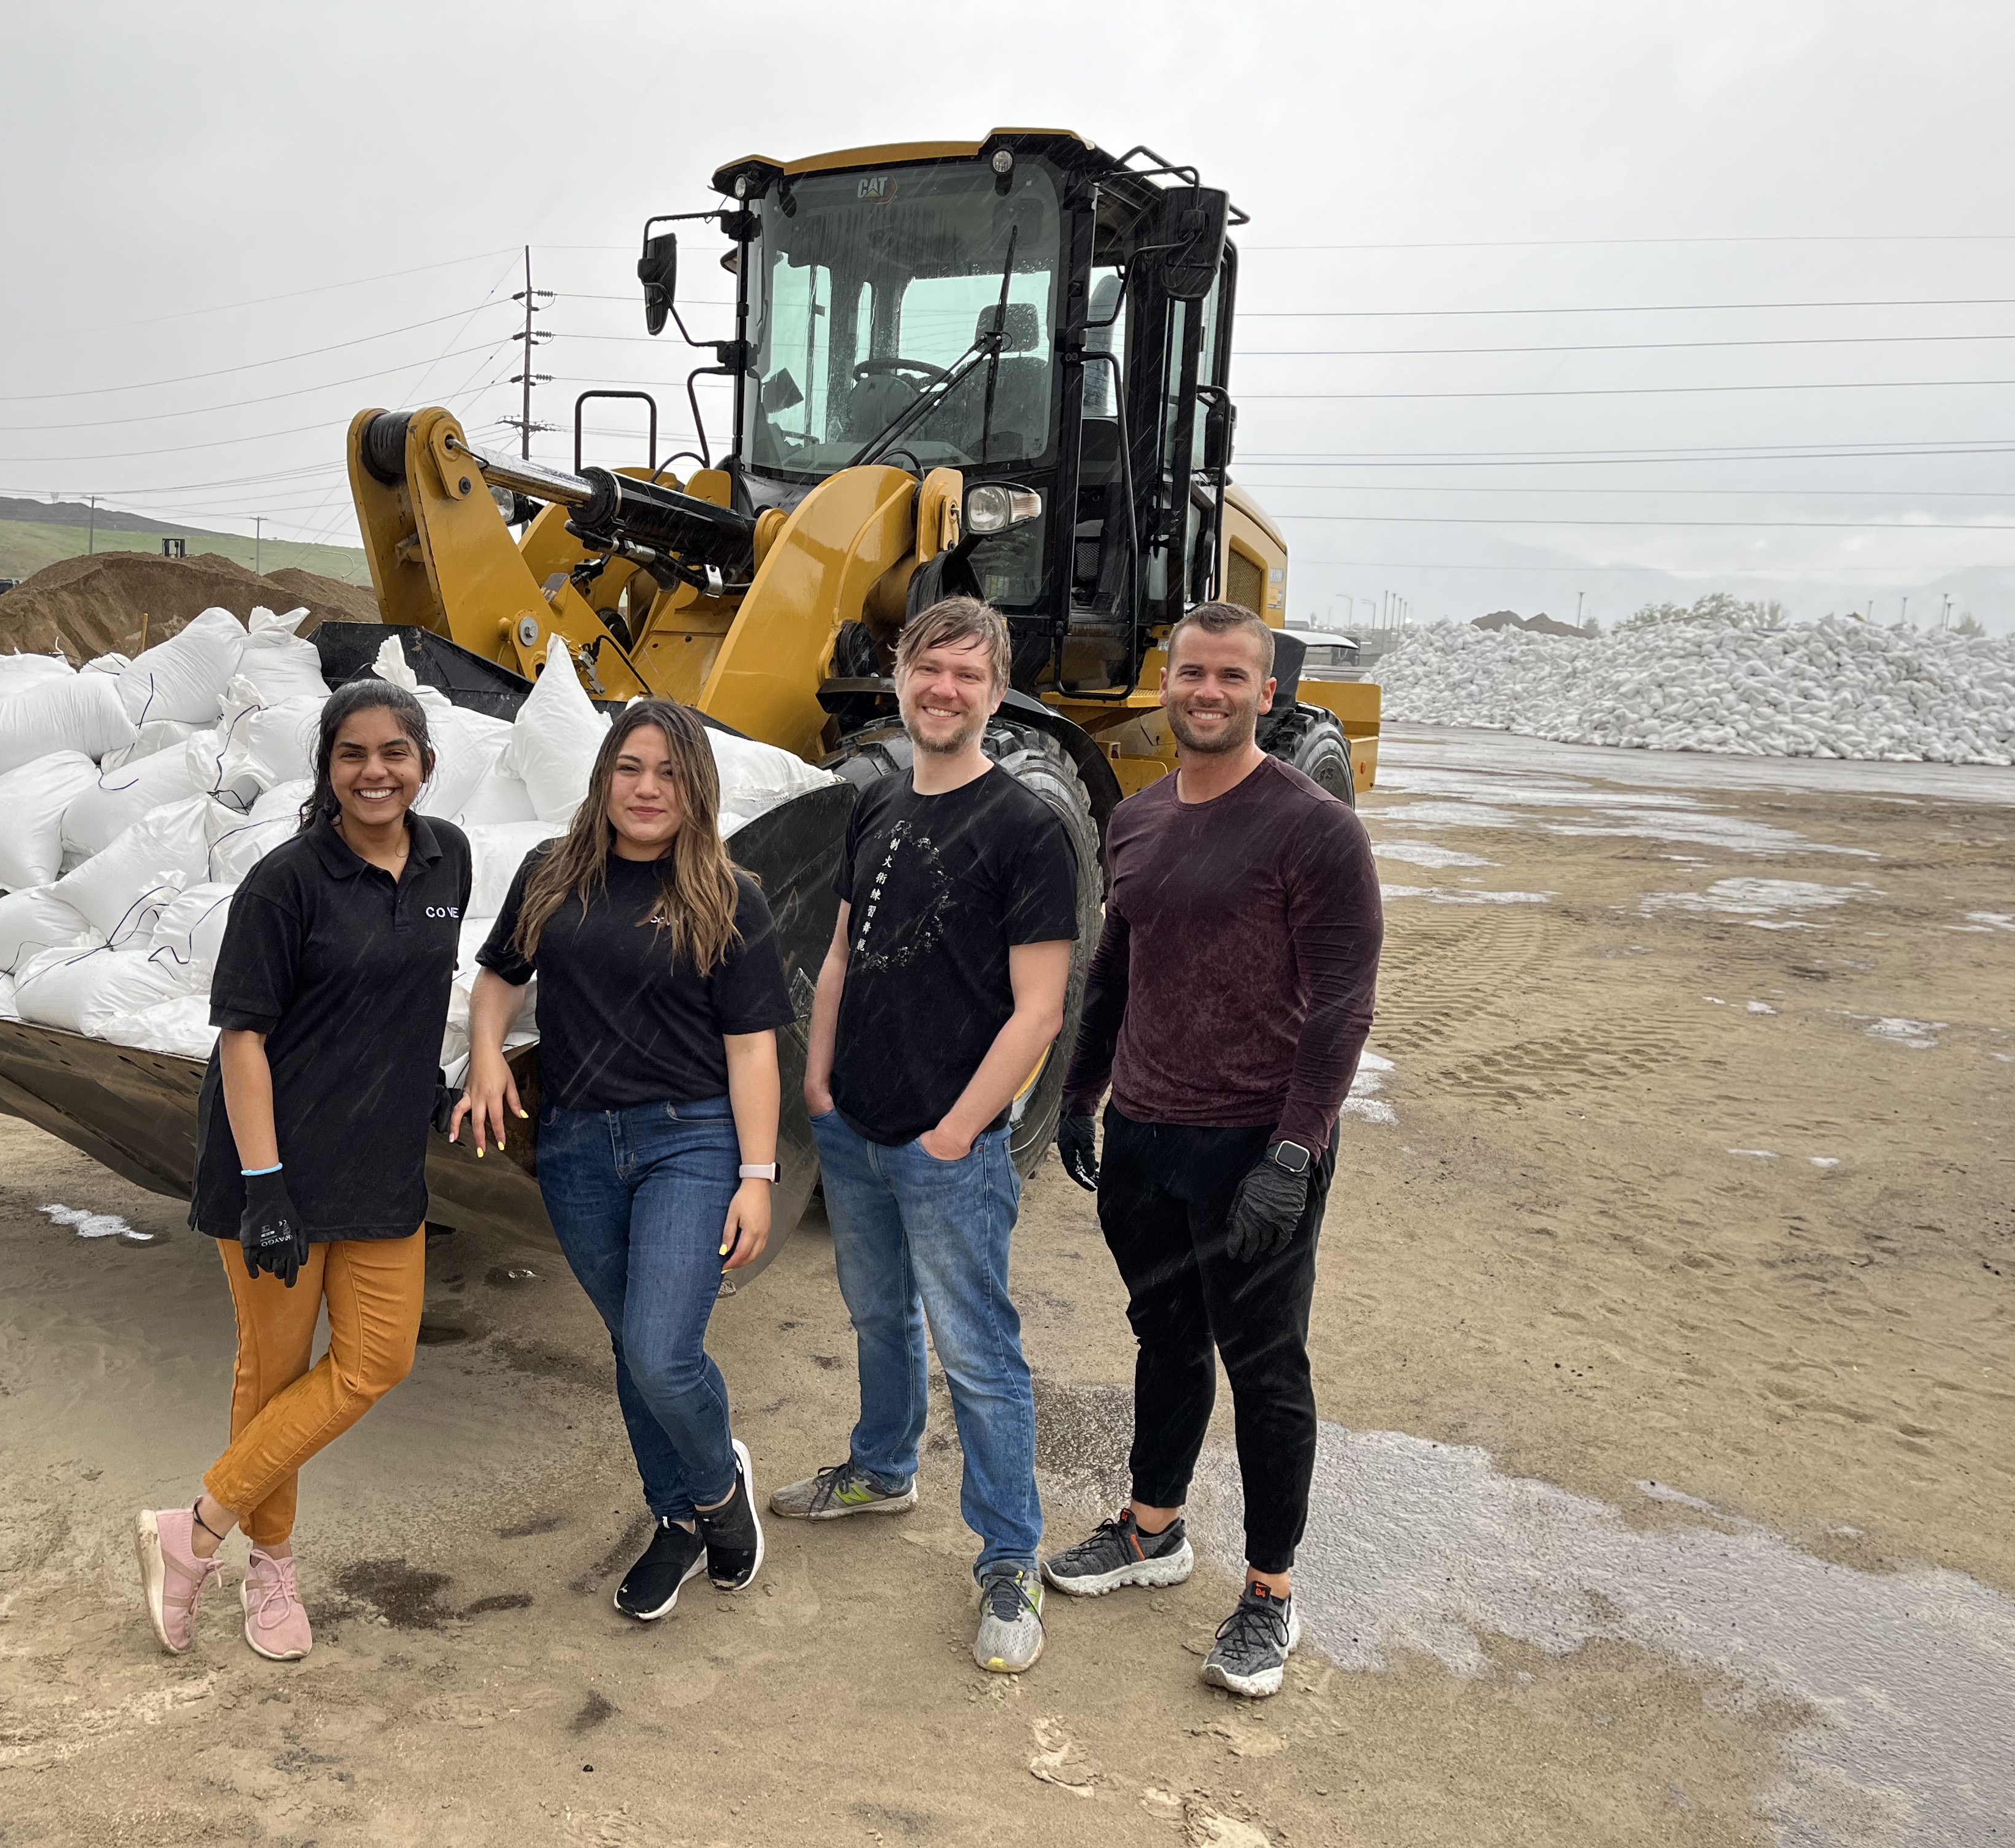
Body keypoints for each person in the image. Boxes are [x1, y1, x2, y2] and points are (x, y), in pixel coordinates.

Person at [1045, 601, 1381, 1700]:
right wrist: (1081, 1094)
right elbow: (1115, 975)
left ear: (1265, 694)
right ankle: (1153, 1529)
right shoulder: (1136, 821)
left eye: (1232, 677)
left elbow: (1342, 1006)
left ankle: (1271, 1593)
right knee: (1164, 1337)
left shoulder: (1315, 830)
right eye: (1192, 673)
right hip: (1145, 1133)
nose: (1208, 692)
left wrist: (1295, 1153)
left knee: (1267, 1369)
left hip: (1253, 1142)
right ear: (1166, 683)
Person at [772, 595, 1080, 1675]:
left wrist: (957, 1131)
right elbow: (847, 950)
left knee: (981, 1354)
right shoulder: (881, 804)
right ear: (899, 679)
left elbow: (1039, 1008)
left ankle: (1009, 1558)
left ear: (995, 693)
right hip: (854, 1123)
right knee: (874, 1314)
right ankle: (882, 1465)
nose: (943, 689)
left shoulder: (1027, 829)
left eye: (967, 673)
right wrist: (816, 1076)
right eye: (926, 669)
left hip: (948, 1145)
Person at [134, 679, 471, 1663]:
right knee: (274, 1373)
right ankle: (269, 1570)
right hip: (273, 1167)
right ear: (327, 770)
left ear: (424, 765)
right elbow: (244, 1037)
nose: (375, 772)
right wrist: (267, 1185)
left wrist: (442, 1081)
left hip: (381, 1164)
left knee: (377, 1360)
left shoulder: (449, 855)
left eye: (394, 753)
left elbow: (420, 997)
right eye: (353, 755)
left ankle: (191, 1530)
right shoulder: (287, 882)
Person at [457, 698, 789, 1621]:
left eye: (671, 773)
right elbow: (498, 978)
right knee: (632, 1348)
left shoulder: (729, 895)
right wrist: (488, 1050)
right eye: (631, 768)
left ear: (698, 789)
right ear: (604, 776)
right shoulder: (552, 874)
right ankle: (676, 1520)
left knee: (659, 1351)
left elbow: (753, 1049)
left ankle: (718, 1490)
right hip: (575, 1145)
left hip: (691, 1140)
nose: (648, 790)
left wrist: (757, 1179)